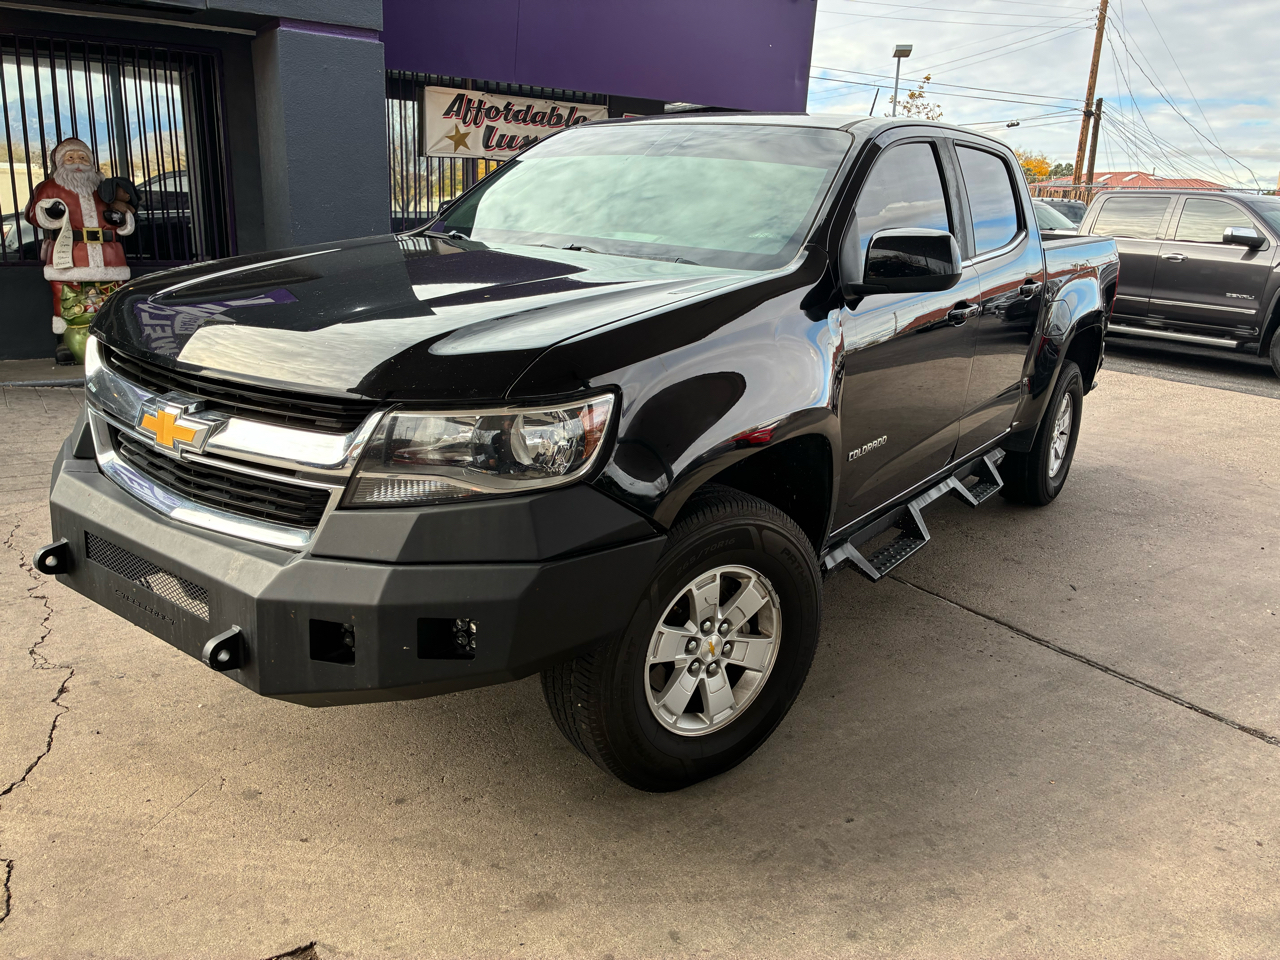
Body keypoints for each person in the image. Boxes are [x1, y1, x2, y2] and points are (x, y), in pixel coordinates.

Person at [24, 137, 137, 364]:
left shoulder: (105, 187)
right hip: (71, 251)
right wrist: (51, 212)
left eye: (83, 157)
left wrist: (122, 218)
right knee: (66, 295)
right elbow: (33, 214)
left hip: (108, 253)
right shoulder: (49, 187)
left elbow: (125, 211)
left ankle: (110, 341)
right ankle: (65, 342)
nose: (78, 162)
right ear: (60, 162)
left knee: (110, 295)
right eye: (71, 157)